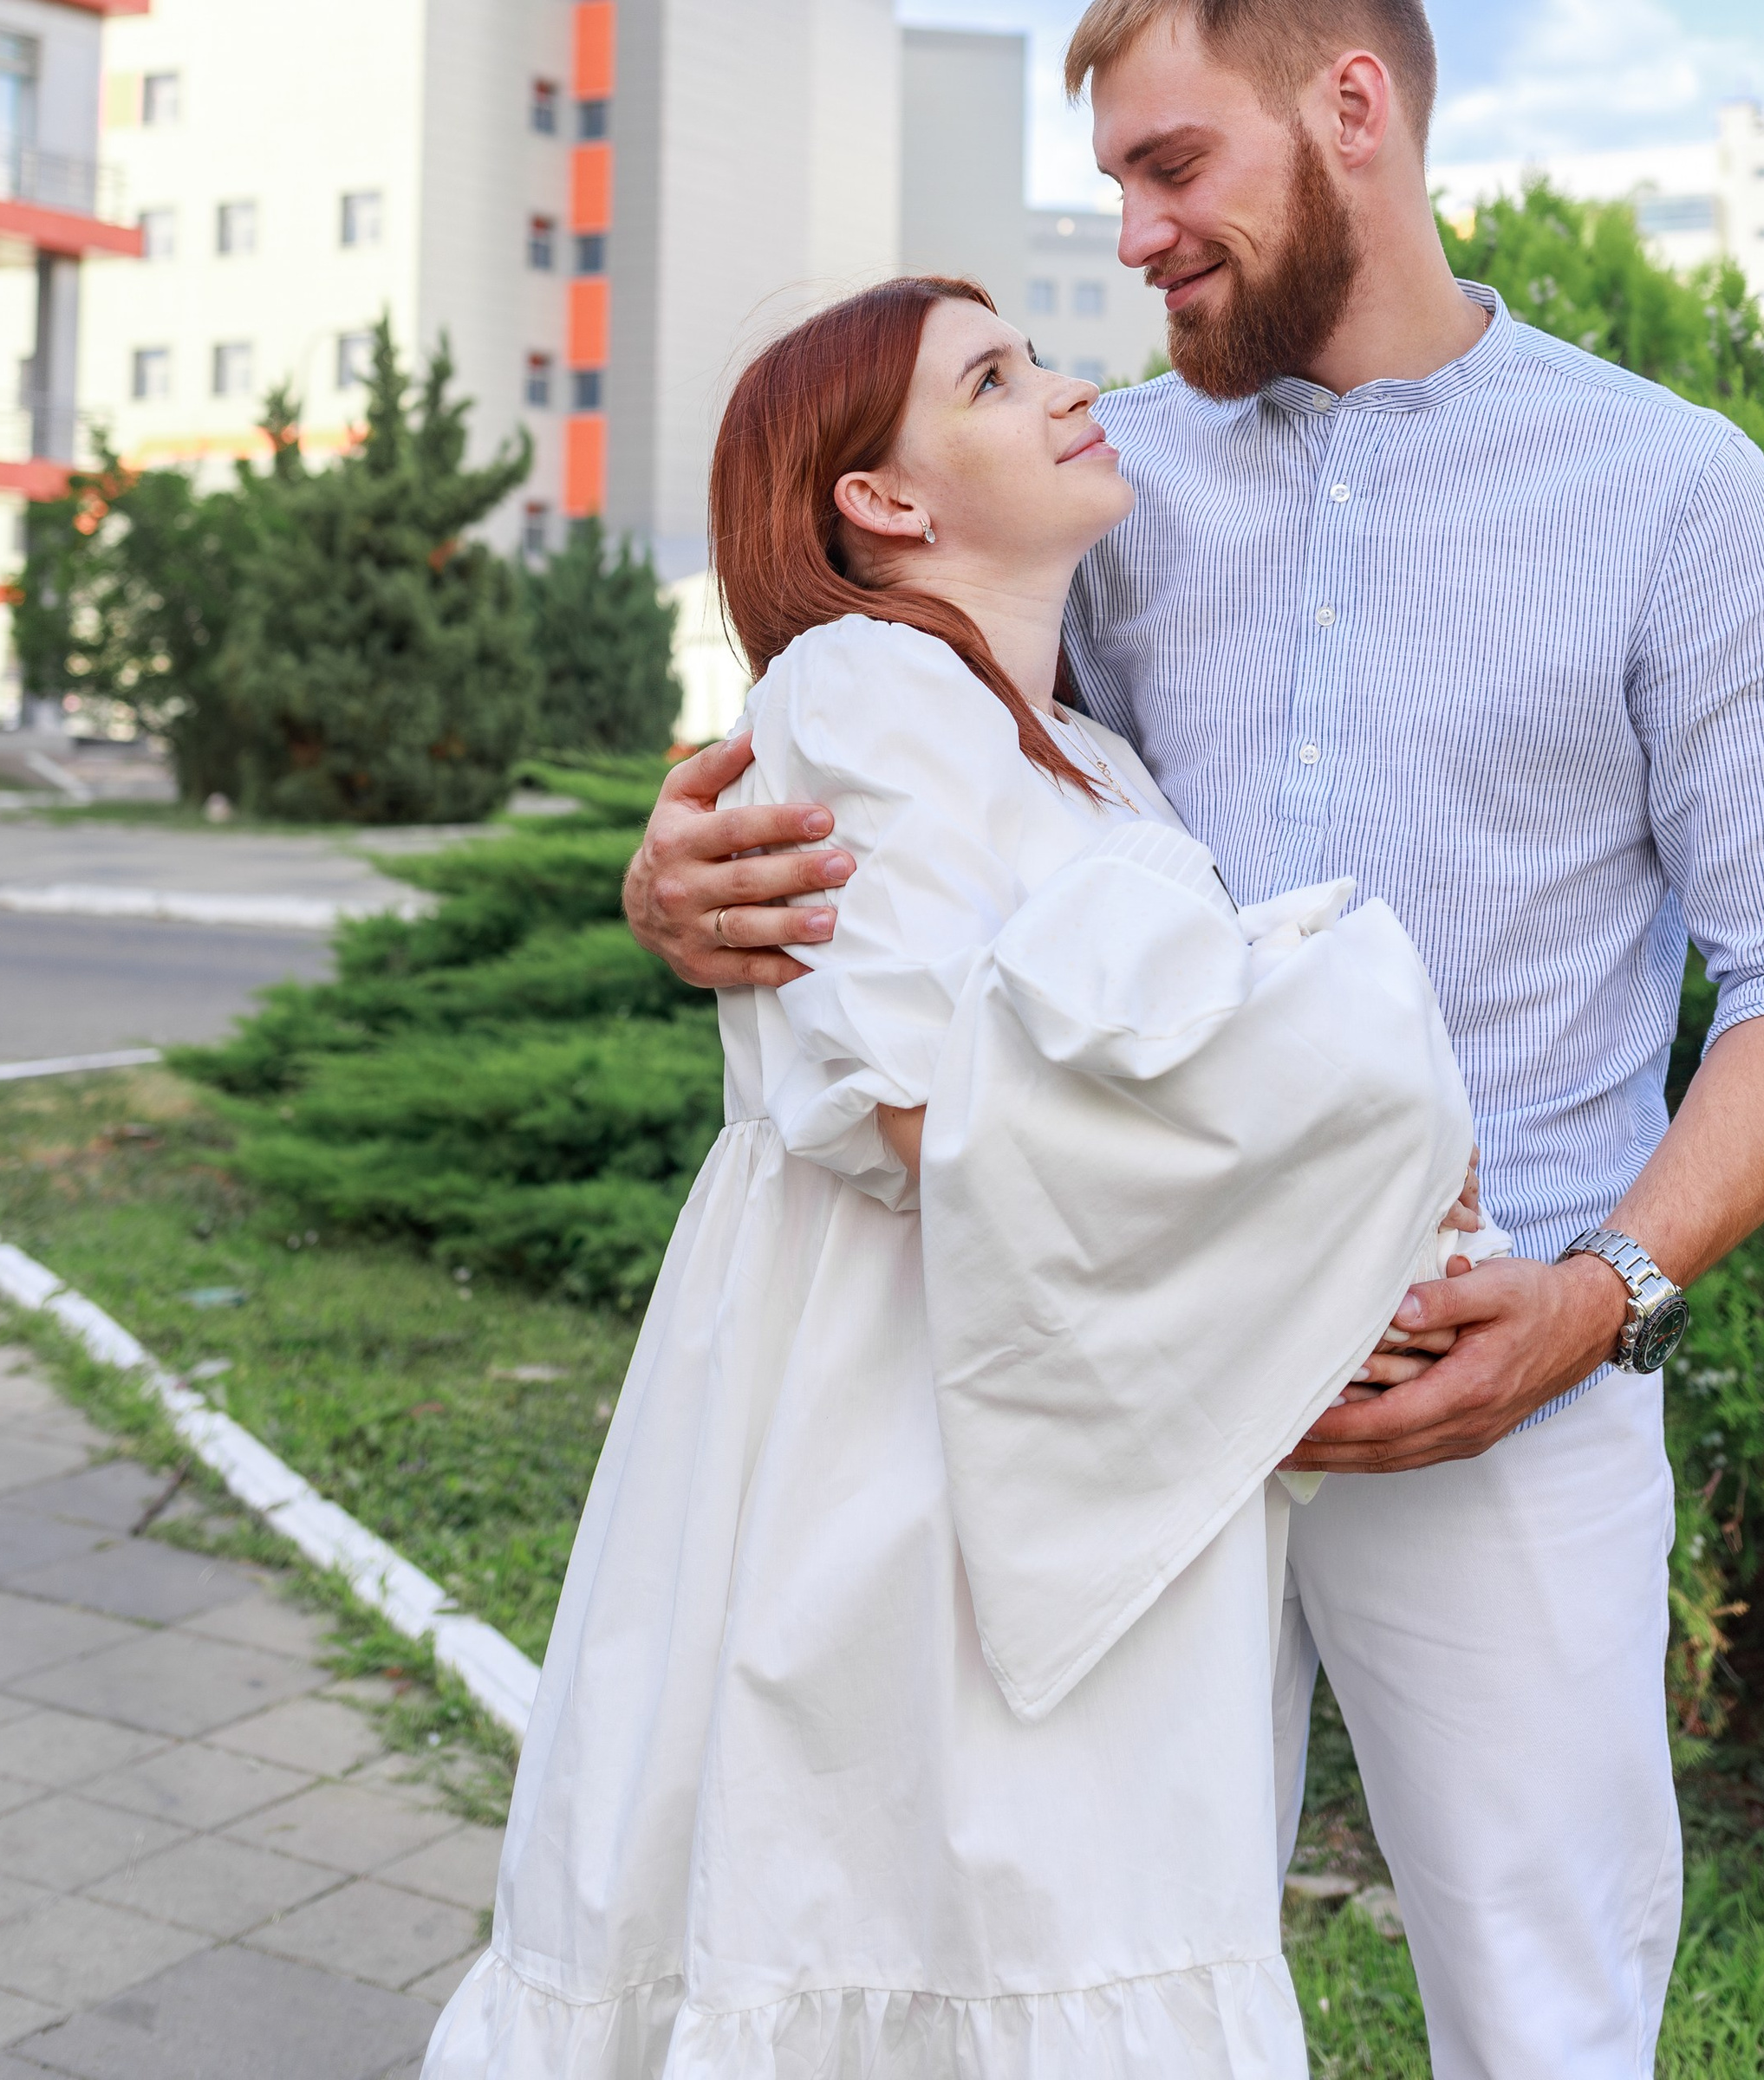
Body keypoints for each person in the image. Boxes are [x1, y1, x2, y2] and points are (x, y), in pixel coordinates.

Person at [624, 0, 1764, 2080]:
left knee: (1545, 2025)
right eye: (1115, 180)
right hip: (1116, 1395)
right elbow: (918, 788)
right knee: (1076, 2002)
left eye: (1169, 165)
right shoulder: (1096, 484)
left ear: (1351, 109)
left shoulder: (1675, 498)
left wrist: (1597, 1298)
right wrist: (679, 878)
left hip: (1485, 1385)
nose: (1131, 237)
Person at [425, 272, 1496, 2080]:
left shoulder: (1091, 759)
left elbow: (1150, 1081)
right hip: (897, 1411)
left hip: (1064, 1387)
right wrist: (1365, 1095)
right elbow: (938, 1103)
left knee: (1064, 1909)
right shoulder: (858, 686)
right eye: (994, 377)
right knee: (909, 1896)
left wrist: (1360, 1173)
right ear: (883, 500)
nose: (1068, 387)